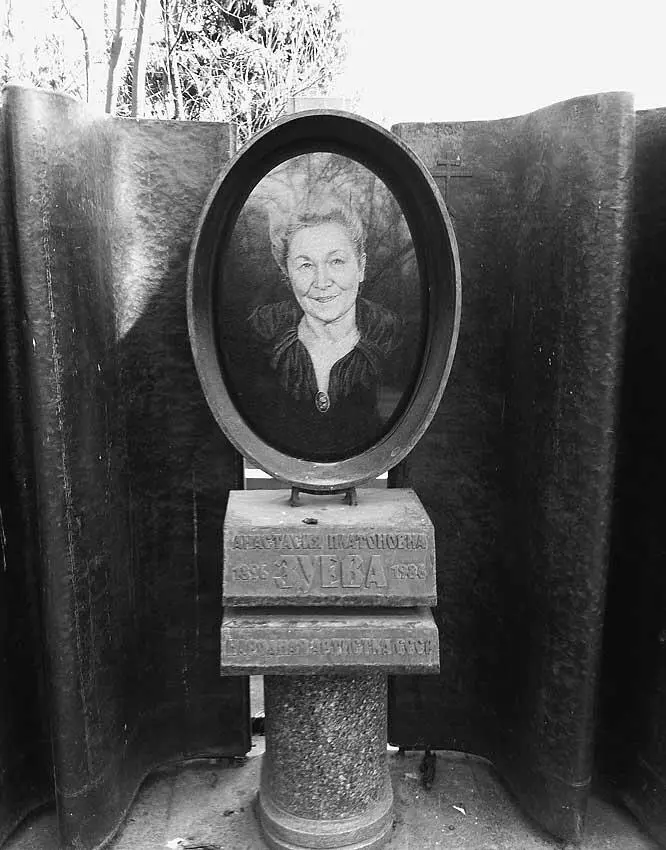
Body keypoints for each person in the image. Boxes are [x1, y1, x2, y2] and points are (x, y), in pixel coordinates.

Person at [230, 193, 404, 461]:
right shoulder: (259, 340)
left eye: (336, 261)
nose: (322, 281)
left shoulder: (394, 340)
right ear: (287, 274)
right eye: (305, 265)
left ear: (361, 267)